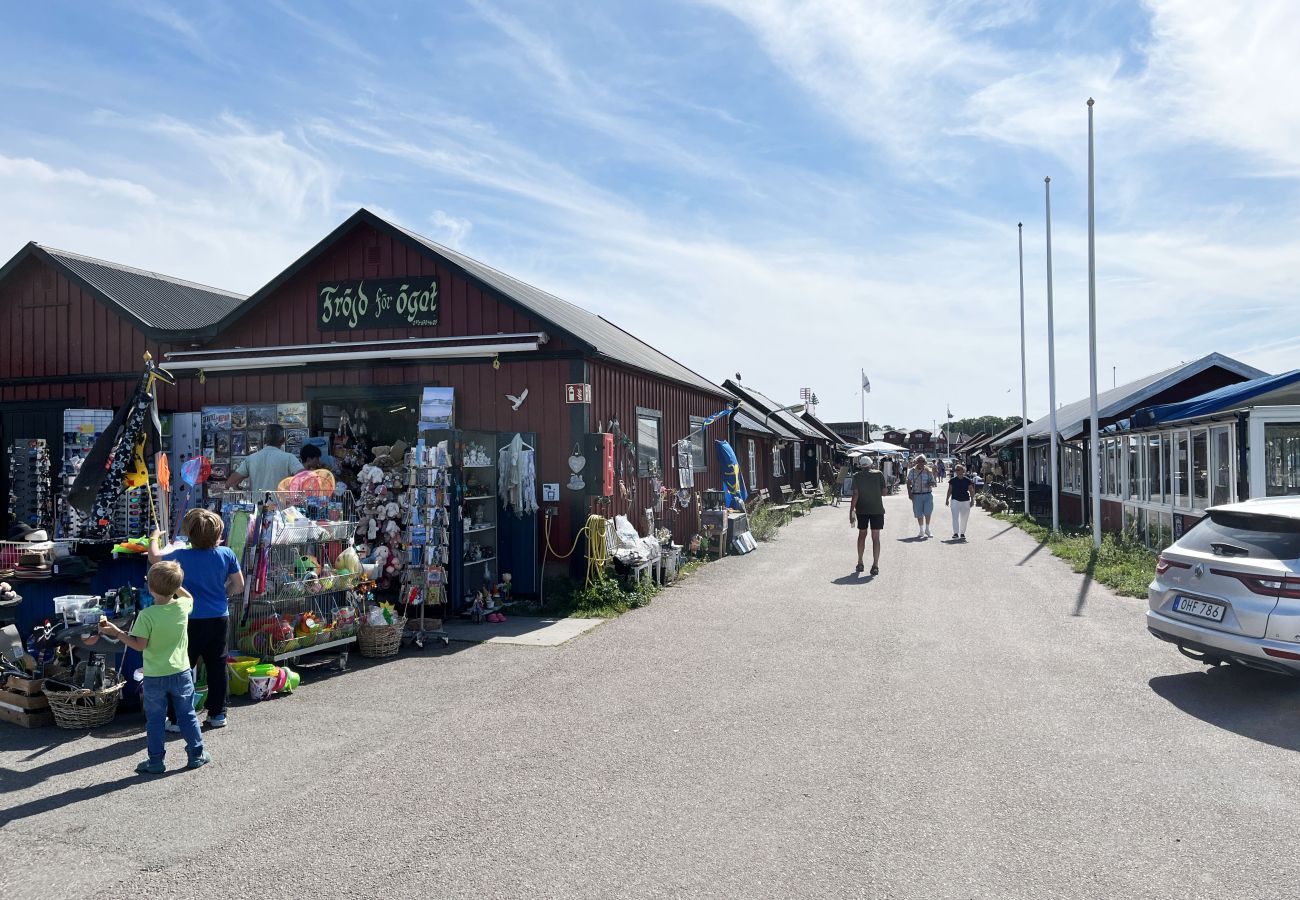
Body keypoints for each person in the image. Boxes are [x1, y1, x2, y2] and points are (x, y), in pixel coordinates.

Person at [98, 561, 211, 774]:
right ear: (177, 586)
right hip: (181, 672)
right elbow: (189, 597)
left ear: (150, 588)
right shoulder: (181, 607)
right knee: (187, 714)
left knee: (156, 720)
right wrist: (174, 583)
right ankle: (196, 754)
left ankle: (156, 761)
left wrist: (117, 632)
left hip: (154, 676)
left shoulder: (147, 615)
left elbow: (140, 645)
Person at [149, 508, 243, 729]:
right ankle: (217, 714)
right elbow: (238, 585)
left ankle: (177, 718)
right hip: (219, 617)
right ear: (219, 532)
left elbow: (154, 558)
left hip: (186, 618)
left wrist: (154, 537)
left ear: (188, 533)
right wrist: (223, 594)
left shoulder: (180, 555)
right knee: (217, 666)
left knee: (182, 668)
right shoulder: (227, 554)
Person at [227, 423, 302, 495]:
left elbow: (229, 483)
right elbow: (304, 477)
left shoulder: (251, 459)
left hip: (259, 506)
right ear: (283, 440)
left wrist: (244, 495)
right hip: (282, 506)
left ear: (264, 440)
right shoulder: (289, 458)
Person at [849, 455, 886, 575]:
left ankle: (860, 562)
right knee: (876, 537)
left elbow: (855, 494)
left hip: (862, 510)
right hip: (877, 510)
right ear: (871, 464)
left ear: (860, 466)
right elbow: (884, 492)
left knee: (862, 535)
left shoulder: (856, 476)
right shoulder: (879, 474)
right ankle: (875, 565)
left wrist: (851, 510)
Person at [907, 454, 936, 539]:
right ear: (916, 462)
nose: (920, 462)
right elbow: (908, 483)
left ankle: (927, 529)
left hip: (927, 494)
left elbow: (933, 482)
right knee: (918, 513)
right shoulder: (912, 471)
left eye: (922, 461)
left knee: (928, 512)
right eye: (919, 461)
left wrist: (930, 483)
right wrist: (909, 493)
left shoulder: (928, 470)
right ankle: (921, 530)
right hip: (916, 495)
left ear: (925, 462)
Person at [946, 463, 975, 541]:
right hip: (955, 500)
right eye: (956, 470)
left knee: (964, 517)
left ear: (963, 470)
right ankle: (955, 533)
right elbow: (949, 490)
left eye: (958, 469)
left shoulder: (967, 480)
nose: (957, 471)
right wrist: (947, 500)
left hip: (965, 500)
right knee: (955, 517)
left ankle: (962, 533)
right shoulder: (952, 480)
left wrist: (972, 500)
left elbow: (971, 490)